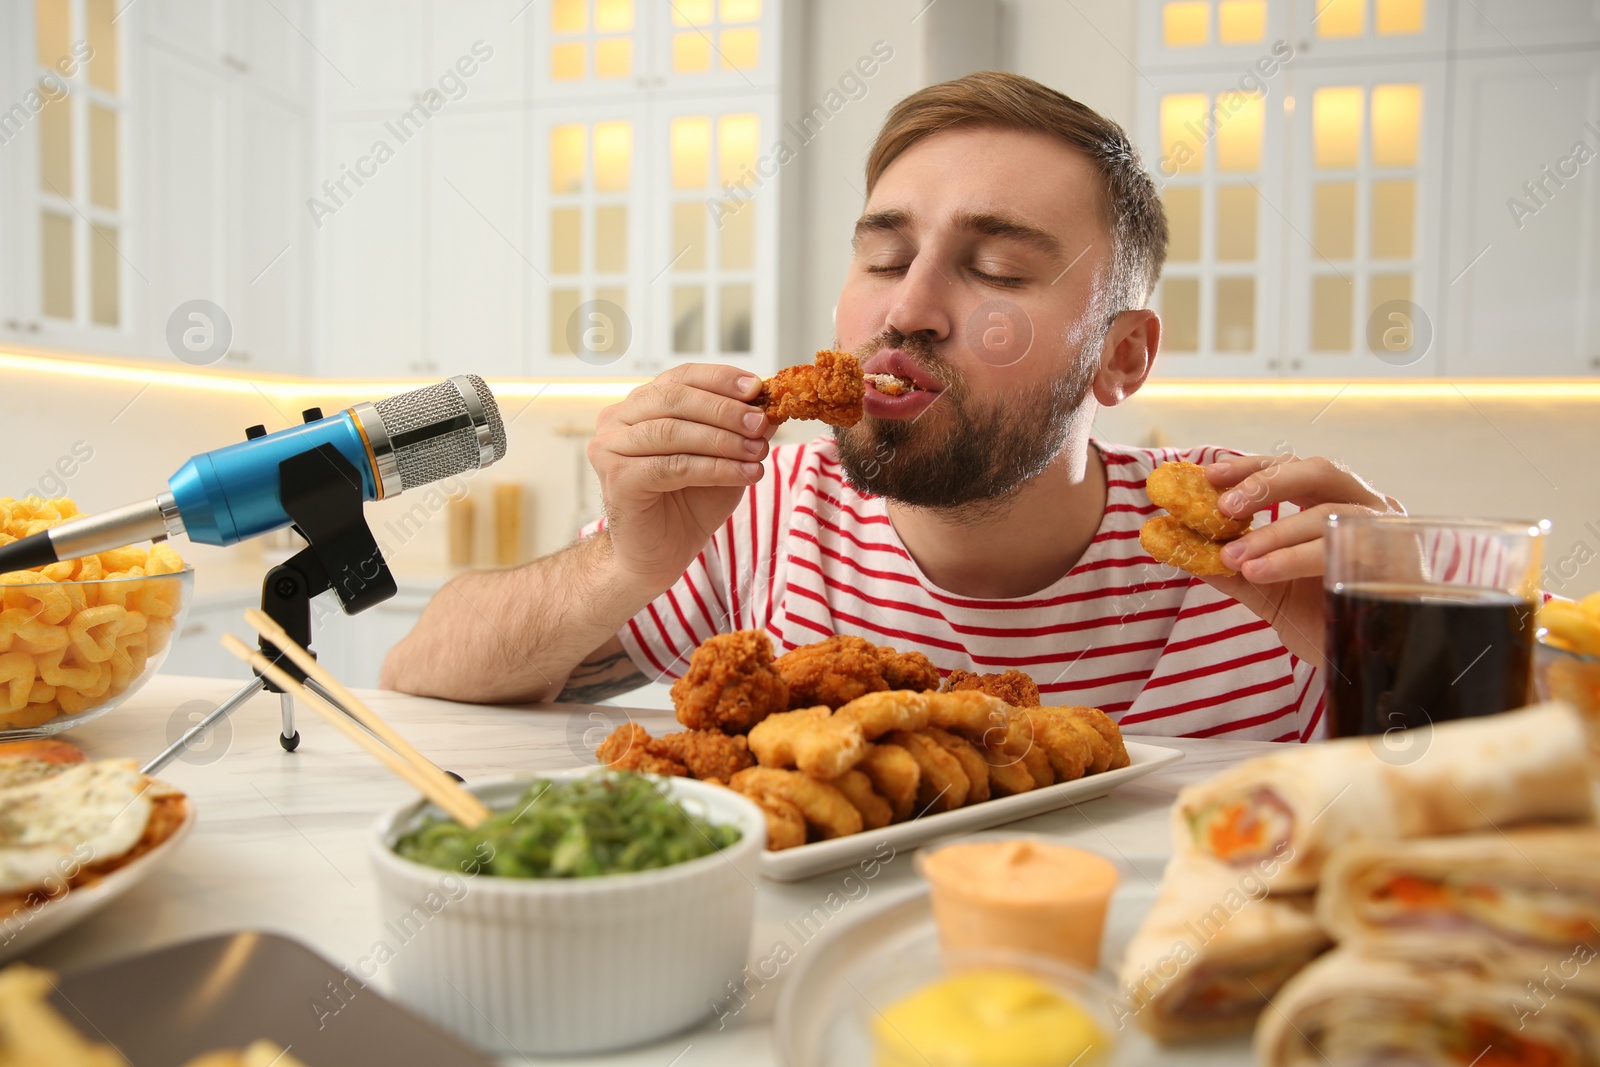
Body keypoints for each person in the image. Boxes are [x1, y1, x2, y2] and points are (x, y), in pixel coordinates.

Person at [381, 72, 1402, 740]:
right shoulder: (760, 509)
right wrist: (623, 563)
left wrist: (1410, 649)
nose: (907, 309)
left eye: (996, 268)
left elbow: (1518, 830)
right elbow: (420, 676)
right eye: (882, 256)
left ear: (1120, 357)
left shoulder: (1256, 541)